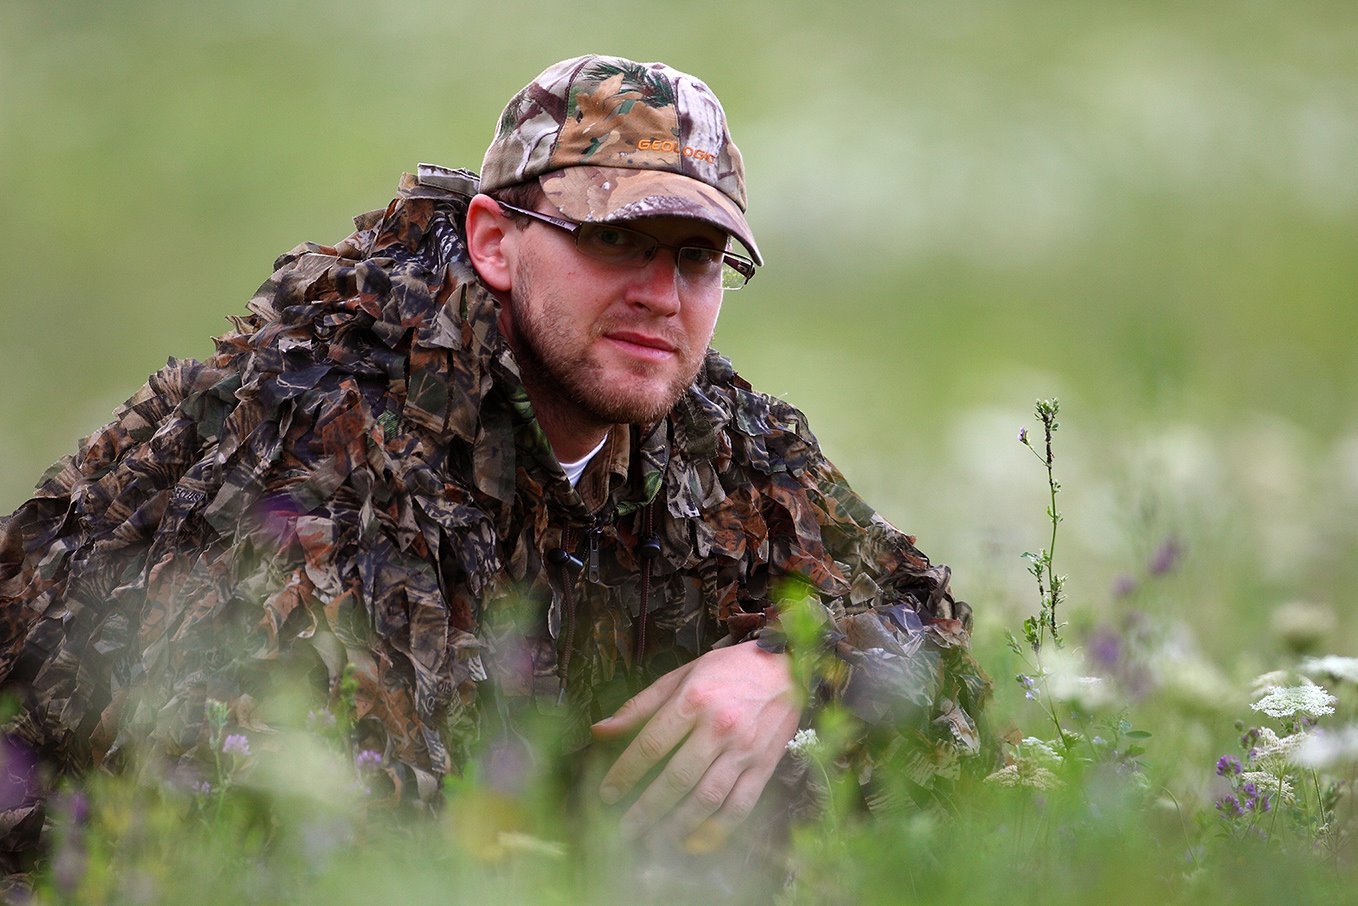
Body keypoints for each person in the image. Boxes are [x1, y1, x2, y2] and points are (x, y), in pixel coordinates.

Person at [0, 55, 990, 868]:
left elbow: (933, 630)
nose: (661, 293)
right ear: (492, 242)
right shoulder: (326, 425)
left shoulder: (707, 420)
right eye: (619, 241)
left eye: (694, 258)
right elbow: (272, 811)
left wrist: (788, 670)